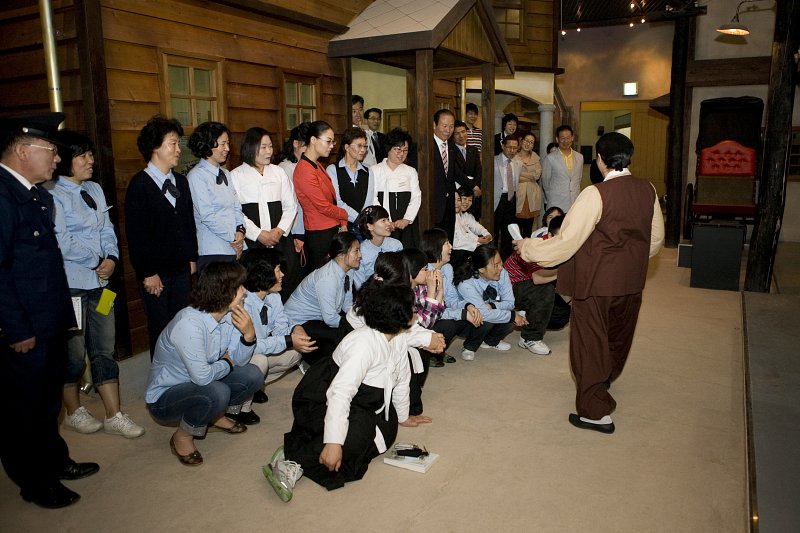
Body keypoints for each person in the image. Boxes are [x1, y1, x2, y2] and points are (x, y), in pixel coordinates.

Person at [514, 132, 665, 434]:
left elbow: (566, 242)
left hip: (596, 283)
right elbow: (656, 240)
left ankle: (596, 411)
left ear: (599, 159)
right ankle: (603, 382)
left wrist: (528, 248)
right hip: (632, 280)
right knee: (617, 337)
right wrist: (628, 258)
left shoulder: (595, 194)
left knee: (590, 343)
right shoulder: (647, 189)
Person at [0, 112, 99, 509]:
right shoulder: (4, 196)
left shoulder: (36, 194)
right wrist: (16, 328)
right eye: (50, 150)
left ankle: (55, 461)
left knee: (46, 401)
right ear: (23, 151)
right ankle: (34, 480)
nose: (57, 158)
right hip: (25, 327)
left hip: (49, 319)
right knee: (25, 407)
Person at [265, 284, 432, 500]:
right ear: (397, 316)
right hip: (322, 396)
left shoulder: (398, 337)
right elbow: (340, 393)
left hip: (366, 399)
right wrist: (334, 443)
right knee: (352, 438)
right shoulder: (363, 344)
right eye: (413, 308)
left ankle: (333, 444)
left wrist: (403, 415)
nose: (416, 312)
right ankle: (292, 459)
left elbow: (401, 380)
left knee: (388, 432)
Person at [51, 130, 145, 439]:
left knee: (104, 348)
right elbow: (61, 241)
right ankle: (73, 411)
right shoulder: (54, 194)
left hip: (103, 285)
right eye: (83, 156)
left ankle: (114, 414)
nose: (90, 160)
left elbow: (107, 229)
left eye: (90, 154)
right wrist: (95, 260)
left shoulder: (95, 189)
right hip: (73, 287)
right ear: (65, 160)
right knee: (74, 353)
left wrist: (112, 258)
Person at [145, 262, 263, 466]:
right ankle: (182, 436)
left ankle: (214, 416)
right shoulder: (189, 324)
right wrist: (226, 362)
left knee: (253, 375)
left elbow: (240, 361)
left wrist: (249, 336)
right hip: (165, 396)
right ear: (224, 292)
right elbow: (203, 377)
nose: (245, 292)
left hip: (200, 382)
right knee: (217, 393)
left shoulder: (228, 315)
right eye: (240, 287)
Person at [126, 115, 198, 358]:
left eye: (179, 144)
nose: (179, 149)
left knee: (182, 325)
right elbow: (136, 235)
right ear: (155, 146)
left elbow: (188, 223)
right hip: (156, 273)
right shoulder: (140, 185)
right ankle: (162, 384)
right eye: (173, 143)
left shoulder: (180, 181)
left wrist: (191, 258)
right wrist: (148, 272)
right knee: (160, 328)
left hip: (181, 269)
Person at [232, 248, 316, 424]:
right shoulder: (242, 304)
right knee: (260, 360)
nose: (283, 275)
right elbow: (252, 345)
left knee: (295, 353)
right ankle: (239, 409)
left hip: (255, 352)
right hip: (237, 360)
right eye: (278, 270)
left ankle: (255, 388)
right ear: (262, 274)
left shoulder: (273, 296)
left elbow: (281, 327)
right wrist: (287, 340)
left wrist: (295, 330)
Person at [230, 127, 300, 301]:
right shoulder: (235, 176)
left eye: (270, 146)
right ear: (250, 148)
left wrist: (278, 230)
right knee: (255, 288)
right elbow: (235, 211)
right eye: (264, 147)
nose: (269, 151)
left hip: (280, 240)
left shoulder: (278, 172)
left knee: (286, 281)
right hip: (253, 244)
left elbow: (291, 206)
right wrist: (259, 234)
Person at [283, 232, 360, 366]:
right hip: (300, 321)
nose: (360, 255)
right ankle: (309, 361)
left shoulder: (349, 270)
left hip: (320, 317)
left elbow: (347, 305)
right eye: (356, 251)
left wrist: (358, 319)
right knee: (342, 336)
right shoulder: (328, 278)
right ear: (341, 254)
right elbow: (330, 318)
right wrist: (355, 326)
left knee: (350, 332)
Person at [186, 121, 245, 271]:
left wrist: (240, 232)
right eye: (222, 144)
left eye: (228, 143)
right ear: (207, 144)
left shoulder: (225, 173)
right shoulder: (196, 176)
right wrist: (234, 238)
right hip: (212, 250)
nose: (227, 148)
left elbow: (236, 207)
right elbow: (207, 216)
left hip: (233, 248)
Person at [420, 228, 482, 367]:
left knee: (470, 315)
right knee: (449, 323)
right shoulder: (424, 272)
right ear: (434, 246)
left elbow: (452, 298)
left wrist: (468, 306)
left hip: (441, 312)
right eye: (446, 243)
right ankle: (427, 353)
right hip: (426, 318)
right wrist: (461, 313)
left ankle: (439, 348)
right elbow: (430, 311)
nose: (451, 247)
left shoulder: (447, 268)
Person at [454, 244, 527, 361]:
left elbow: (510, 302)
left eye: (500, 262)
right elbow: (483, 313)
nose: (500, 268)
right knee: (486, 318)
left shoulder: (502, 274)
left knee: (507, 317)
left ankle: (491, 341)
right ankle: (469, 346)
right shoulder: (467, 284)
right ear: (481, 269)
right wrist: (513, 316)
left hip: (487, 310)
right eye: (495, 265)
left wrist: (492, 305)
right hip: (467, 320)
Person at [292, 120, 348, 270]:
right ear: (313, 140)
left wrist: (342, 222)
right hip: (319, 232)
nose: (331, 146)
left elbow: (332, 198)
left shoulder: (316, 164)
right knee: (322, 276)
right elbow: (322, 205)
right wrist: (343, 214)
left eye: (333, 142)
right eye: (328, 141)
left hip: (331, 228)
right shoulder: (304, 169)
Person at [371, 128, 422, 248]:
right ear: (388, 149)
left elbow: (416, 197)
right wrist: (385, 220)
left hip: (405, 223)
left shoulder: (411, 171)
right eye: (397, 150)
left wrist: (406, 219)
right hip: (382, 222)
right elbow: (373, 198)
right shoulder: (375, 170)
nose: (401, 154)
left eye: (405, 150)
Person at [327, 127, 374, 235]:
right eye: (359, 145)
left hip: (363, 225)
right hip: (340, 225)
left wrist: (362, 220)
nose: (363, 150)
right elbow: (336, 201)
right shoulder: (333, 169)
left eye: (365, 146)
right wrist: (357, 218)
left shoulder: (368, 171)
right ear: (347, 147)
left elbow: (369, 201)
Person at [277, 123, 309, 276]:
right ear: (295, 143)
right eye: (306, 145)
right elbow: (293, 204)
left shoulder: (308, 165)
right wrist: (297, 234)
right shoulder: (285, 168)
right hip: (295, 230)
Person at [352, 205, 403, 289]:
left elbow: (401, 275)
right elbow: (360, 285)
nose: (388, 224)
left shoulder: (396, 245)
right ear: (370, 226)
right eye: (383, 220)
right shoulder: (360, 251)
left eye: (388, 219)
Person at [541, 125, 583, 213]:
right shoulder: (550, 158)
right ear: (557, 139)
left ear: (572, 138)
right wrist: (552, 199)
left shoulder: (579, 157)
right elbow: (545, 183)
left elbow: (578, 179)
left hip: (574, 202)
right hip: (556, 204)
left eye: (568, 138)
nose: (565, 141)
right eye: (562, 138)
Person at [493, 135, 522, 259]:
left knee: (508, 231)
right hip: (497, 199)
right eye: (509, 147)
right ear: (503, 146)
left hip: (511, 199)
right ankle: (492, 258)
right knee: (494, 230)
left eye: (515, 148)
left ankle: (505, 260)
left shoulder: (518, 163)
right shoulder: (493, 160)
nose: (512, 150)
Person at [452, 120, 483, 220]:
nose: (461, 136)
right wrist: (473, 186)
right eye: (457, 133)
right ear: (452, 135)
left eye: (463, 131)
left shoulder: (473, 150)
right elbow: (456, 173)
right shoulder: (450, 150)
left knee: (474, 221)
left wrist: (476, 186)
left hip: (473, 193)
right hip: (458, 192)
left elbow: (478, 170)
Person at [514, 132, 543, 237]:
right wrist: (528, 176)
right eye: (526, 141)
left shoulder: (536, 158)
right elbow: (512, 177)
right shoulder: (514, 156)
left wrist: (520, 174)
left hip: (532, 195)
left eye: (531, 142)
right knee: (516, 228)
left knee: (528, 228)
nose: (528, 144)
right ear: (521, 141)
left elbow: (537, 175)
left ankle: (526, 250)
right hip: (518, 195)